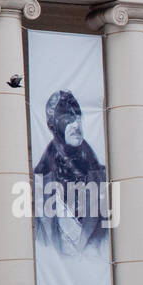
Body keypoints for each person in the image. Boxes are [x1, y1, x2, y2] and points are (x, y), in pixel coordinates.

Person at [32, 90, 108, 254]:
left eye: (78, 117)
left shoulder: (102, 177)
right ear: (53, 125)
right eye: (68, 118)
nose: (76, 125)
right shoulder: (38, 181)